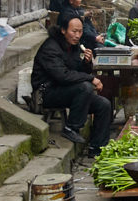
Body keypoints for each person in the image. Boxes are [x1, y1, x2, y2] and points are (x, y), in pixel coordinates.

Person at [31, 14, 112, 155]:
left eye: (80, 32)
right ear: (63, 30)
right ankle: (71, 127)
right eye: (74, 31)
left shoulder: (72, 46)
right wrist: (90, 78)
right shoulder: (51, 47)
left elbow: (75, 71)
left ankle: (97, 148)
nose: (77, 35)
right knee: (85, 87)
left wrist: (86, 63)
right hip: (46, 92)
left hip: (65, 90)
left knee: (103, 104)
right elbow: (62, 76)